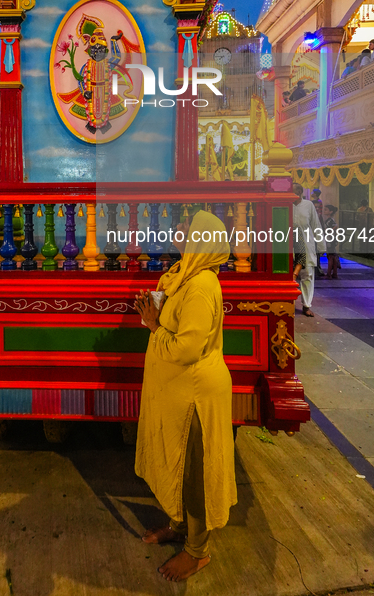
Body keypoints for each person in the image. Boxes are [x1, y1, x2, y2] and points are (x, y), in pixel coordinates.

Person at [133, 210, 236, 582]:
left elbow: (187, 348)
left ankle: (197, 552)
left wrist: (153, 325)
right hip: (176, 392)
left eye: (189, 231)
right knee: (174, 462)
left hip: (195, 395)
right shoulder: (184, 276)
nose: (181, 233)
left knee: (193, 474)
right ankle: (177, 526)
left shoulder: (202, 285)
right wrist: (156, 309)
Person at [292, 184, 325, 316]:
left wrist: (321, 246)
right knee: (291, 275)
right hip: (290, 245)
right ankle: (288, 304)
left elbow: (316, 225)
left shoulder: (308, 205)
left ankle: (306, 305)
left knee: (307, 276)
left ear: (299, 192)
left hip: (306, 244)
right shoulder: (286, 205)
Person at [324, 204, 339, 279]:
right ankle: (334, 273)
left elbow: (335, 226)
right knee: (333, 256)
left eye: (326, 210)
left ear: (330, 211)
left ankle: (329, 273)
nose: (324, 211)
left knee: (330, 256)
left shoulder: (330, 220)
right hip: (331, 239)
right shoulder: (329, 220)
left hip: (330, 240)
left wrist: (329, 232)